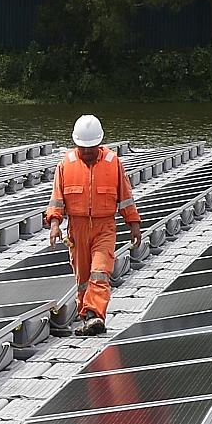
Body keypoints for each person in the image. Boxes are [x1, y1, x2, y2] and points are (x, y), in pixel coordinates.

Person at [44, 114, 142, 336]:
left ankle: (95, 314)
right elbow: (57, 199)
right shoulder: (65, 164)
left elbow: (126, 197)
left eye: (91, 147)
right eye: (83, 148)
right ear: (76, 144)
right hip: (77, 228)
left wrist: (134, 223)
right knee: (83, 278)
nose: (87, 152)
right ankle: (87, 316)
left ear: (99, 143)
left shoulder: (113, 163)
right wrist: (55, 224)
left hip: (104, 227)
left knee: (100, 271)